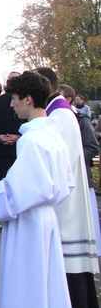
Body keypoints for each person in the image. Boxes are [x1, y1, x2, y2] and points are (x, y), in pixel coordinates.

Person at [0, 71, 73, 308]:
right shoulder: (54, 136)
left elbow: (23, 191)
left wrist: (0, 188)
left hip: (28, 222)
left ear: (28, 99)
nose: (11, 105)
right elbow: (65, 183)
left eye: (14, 98)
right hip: (47, 218)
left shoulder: (30, 140)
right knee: (45, 280)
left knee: (26, 281)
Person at [34, 67, 99, 308]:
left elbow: (54, 163)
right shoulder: (59, 111)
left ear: (45, 86)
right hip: (68, 199)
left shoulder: (58, 115)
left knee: (69, 272)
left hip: (65, 205)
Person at [60, 84, 101, 250]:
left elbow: (92, 147)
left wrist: (69, 159)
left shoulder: (81, 121)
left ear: (68, 99)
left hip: (82, 179)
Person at [0, 72, 24, 180]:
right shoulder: (0, 100)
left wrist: (18, 136)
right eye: (10, 80)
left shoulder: (27, 99)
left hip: (21, 147)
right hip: (3, 148)